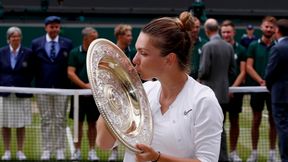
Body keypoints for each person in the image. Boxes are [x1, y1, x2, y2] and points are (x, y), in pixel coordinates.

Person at [96, 11, 223, 162]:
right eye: (137, 51)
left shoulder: (203, 100)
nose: (135, 59)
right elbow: (104, 143)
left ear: (169, 59)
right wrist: (116, 90)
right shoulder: (144, 91)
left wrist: (157, 158)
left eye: (143, 53)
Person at [31, 16, 73, 160]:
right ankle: (47, 150)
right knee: (46, 119)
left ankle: (60, 149)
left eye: (57, 27)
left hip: (62, 87)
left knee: (61, 119)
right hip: (42, 88)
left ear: (59, 28)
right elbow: (33, 66)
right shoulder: (36, 43)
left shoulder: (67, 43)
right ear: (46, 28)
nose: (54, 29)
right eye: (51, 27)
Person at [198, 18, 236, 162]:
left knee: (210, 130)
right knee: (220, 129)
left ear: (206, 30)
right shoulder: (228, 47)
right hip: (223, 95)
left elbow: (204, 70)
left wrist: (199, 80)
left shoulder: (208, 46)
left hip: (210, 95)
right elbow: (233, 70)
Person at [246, 16, 277, 162]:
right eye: (266, 26)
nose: (269, 29)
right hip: (257, 89)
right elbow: (248, 67)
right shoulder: (253, 45)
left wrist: (269, 82)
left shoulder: (278, 46)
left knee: (273, 121)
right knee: (256, 120)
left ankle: (272, 153)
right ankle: (254, 153)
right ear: (261, 27)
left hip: (274, 90)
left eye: (271, 27)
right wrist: (261, 81)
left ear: (275, 29)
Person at [0, 26, 34, 160]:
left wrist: (23, 84)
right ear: (8, 39)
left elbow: (31, 71)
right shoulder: (1, 52)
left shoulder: (28, 53)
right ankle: (7, 151)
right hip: (4, 92)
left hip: (22, 92)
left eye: (18, 36)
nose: (15, 38)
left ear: (20, 38)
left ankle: (20, 151)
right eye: (13, 36)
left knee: (21, 124)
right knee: (4, 124)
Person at [68, 27, 100, 161]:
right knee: (78, 124)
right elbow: (70, 72)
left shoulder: (98, 52)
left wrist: (94, 87)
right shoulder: (75, 52)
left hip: (94, 96)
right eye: (94, 37)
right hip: (78, 95)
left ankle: (92, 151)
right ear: (85, 38)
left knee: (93, 124)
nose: (96, 39)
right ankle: (77, 151)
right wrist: (85, 86)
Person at [107, 23, 136, 162]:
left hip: (130, 94)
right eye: (128, 35)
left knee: (131, 124)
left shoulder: (133, 52)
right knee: (114, 123)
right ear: (120, 36)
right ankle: (114, 152)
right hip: (113, 93)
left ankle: (132, 150)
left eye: (131, 35)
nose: (131, 38)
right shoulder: (110, 51)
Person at [220, 20, 247, 162]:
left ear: (234, 32)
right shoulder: (217, 48)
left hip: (235, 92)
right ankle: (221, 153)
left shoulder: (241, 49)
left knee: (234, 121)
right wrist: (224, 89)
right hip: (220, 93)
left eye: (228, 32)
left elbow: (242, 72)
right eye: (223, 32)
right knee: (219, 124)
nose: (226, 34)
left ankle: (233, 152)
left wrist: (233, 89)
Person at [265, 19, 288, 162]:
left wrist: (270, 87)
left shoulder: (277, 48)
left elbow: (270, 74)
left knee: (283, 129)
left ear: (277, 31)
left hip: (280, 97)